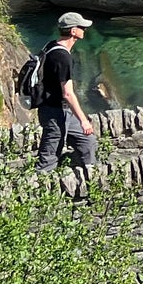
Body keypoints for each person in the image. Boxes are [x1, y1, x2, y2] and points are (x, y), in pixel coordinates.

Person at [37, 11, 97, 169]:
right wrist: (83, 120)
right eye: (82, 27)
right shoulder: (62, 57)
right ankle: (42, 185)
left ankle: (85, 176)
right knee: (49, 157)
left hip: (63, 111)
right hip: (54, 112)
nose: (84, 29)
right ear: (73, 31)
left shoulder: (51, 46)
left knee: (88, 141)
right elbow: (68, 93)